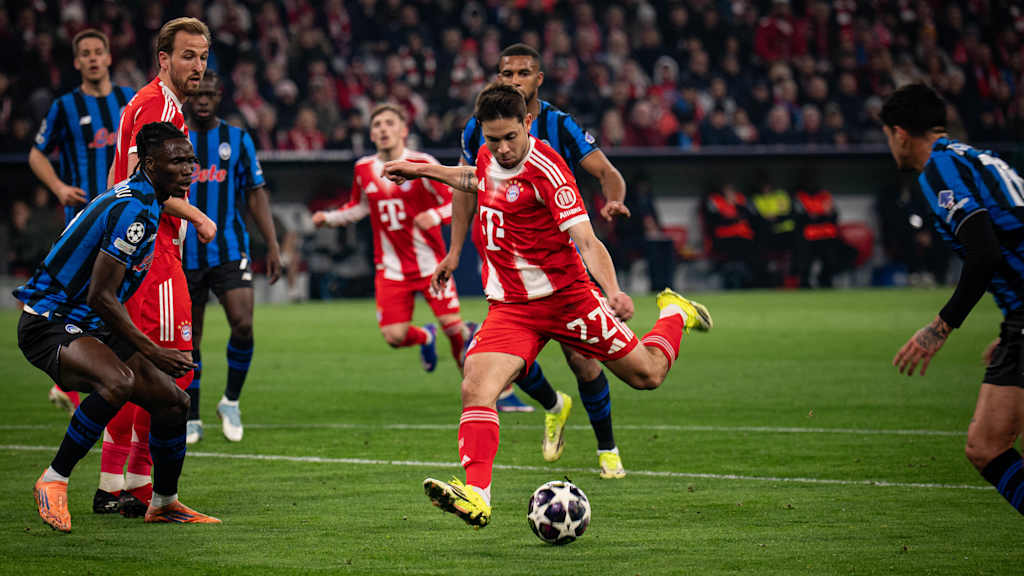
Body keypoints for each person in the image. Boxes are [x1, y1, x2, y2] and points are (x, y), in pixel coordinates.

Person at [384, 84, 711, 528]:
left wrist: (613, 290)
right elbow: (475, 178)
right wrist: (420, 170)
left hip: (568, 301)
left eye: (510, 138)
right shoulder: (488, 154)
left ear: (527, 124)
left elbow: (587, 242)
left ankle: (674, 313)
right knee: (476, 386)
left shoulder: (549, 172)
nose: (501, 148)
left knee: (647, 375)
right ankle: (477, 494)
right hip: (511, 308)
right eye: (493, 139)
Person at [14, 122, 219, 532]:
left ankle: (164, 502)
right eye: (177, 161)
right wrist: (153, 351)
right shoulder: (134, 211)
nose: (188, 169)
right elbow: (101, 296)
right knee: (118, 382)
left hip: (89, 322)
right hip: (51, 321)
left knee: (174, 402)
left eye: (191, 160)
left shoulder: (147, 200)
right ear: (149, 163)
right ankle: (53, 479)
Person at [461, 43, 632, 479]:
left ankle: (607, 448)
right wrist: (452, 250)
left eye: (523, 73)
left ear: (538, 80)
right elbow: (468, 184)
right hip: (507, 267)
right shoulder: (480, 128)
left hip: (562, 263)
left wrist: (614, 199)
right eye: (506, 73)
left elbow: (606, 171)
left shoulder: (559, 126)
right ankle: (554, 405)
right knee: (508, 360)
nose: (514, 80)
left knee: (582, 360)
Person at [882, 82, 1024, 515]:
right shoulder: (976, 157)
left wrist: (940, 326)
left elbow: (984, 253)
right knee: (986, 444)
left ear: (900, 133)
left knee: (987, 446)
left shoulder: (940, 170)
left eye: (887, 135)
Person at [97, 17, 216, 517]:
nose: (198, 66)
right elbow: (139, 182)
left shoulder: (147, 103)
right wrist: (197, 216)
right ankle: (147, 490)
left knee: (137, 369)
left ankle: (118, 485)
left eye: (203, 56)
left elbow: (121, 178)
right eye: (188, 55)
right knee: (174, 370)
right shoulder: (158, 106)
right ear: (163, 59)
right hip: (154, 251)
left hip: (140, 250)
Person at [312, 104, 474, 372]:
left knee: (452, 326)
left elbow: (456, 201)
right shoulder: (363, 168)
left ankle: (471, 384)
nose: (383, 129)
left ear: (404, 130)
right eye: (377, 125)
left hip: (430, 263)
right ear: (371, 135)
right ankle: (426, 336)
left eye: (389, 123)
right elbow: (359, 206)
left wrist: (434, 216)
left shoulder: (422, 163)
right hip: (391, 268)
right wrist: (328, 218)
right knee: (394, 337)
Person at [28, 29, 136, 415]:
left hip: (126, 218)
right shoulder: (64, 107)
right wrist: (59, 187)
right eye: (85, 53)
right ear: (77, 62)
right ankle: (85, 383)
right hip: (83, 224)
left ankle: (76, 385)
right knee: (88, 301)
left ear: (108, 57)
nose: (92, 58)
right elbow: (36, 154)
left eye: (97, 52)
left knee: (111, 300)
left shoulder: (129, 101)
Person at [182, 71, 281, 445]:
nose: (203, 100)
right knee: (190, 339)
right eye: (197, 94)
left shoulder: (237, 139)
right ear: (189, 94)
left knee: (243, 324)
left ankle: (230, 402)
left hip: (228, 248)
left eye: (209, 94)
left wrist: (272, 244)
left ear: (219, 96)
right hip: (183, 252)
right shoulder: (174, 137)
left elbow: (255, 193)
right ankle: (191, 415)